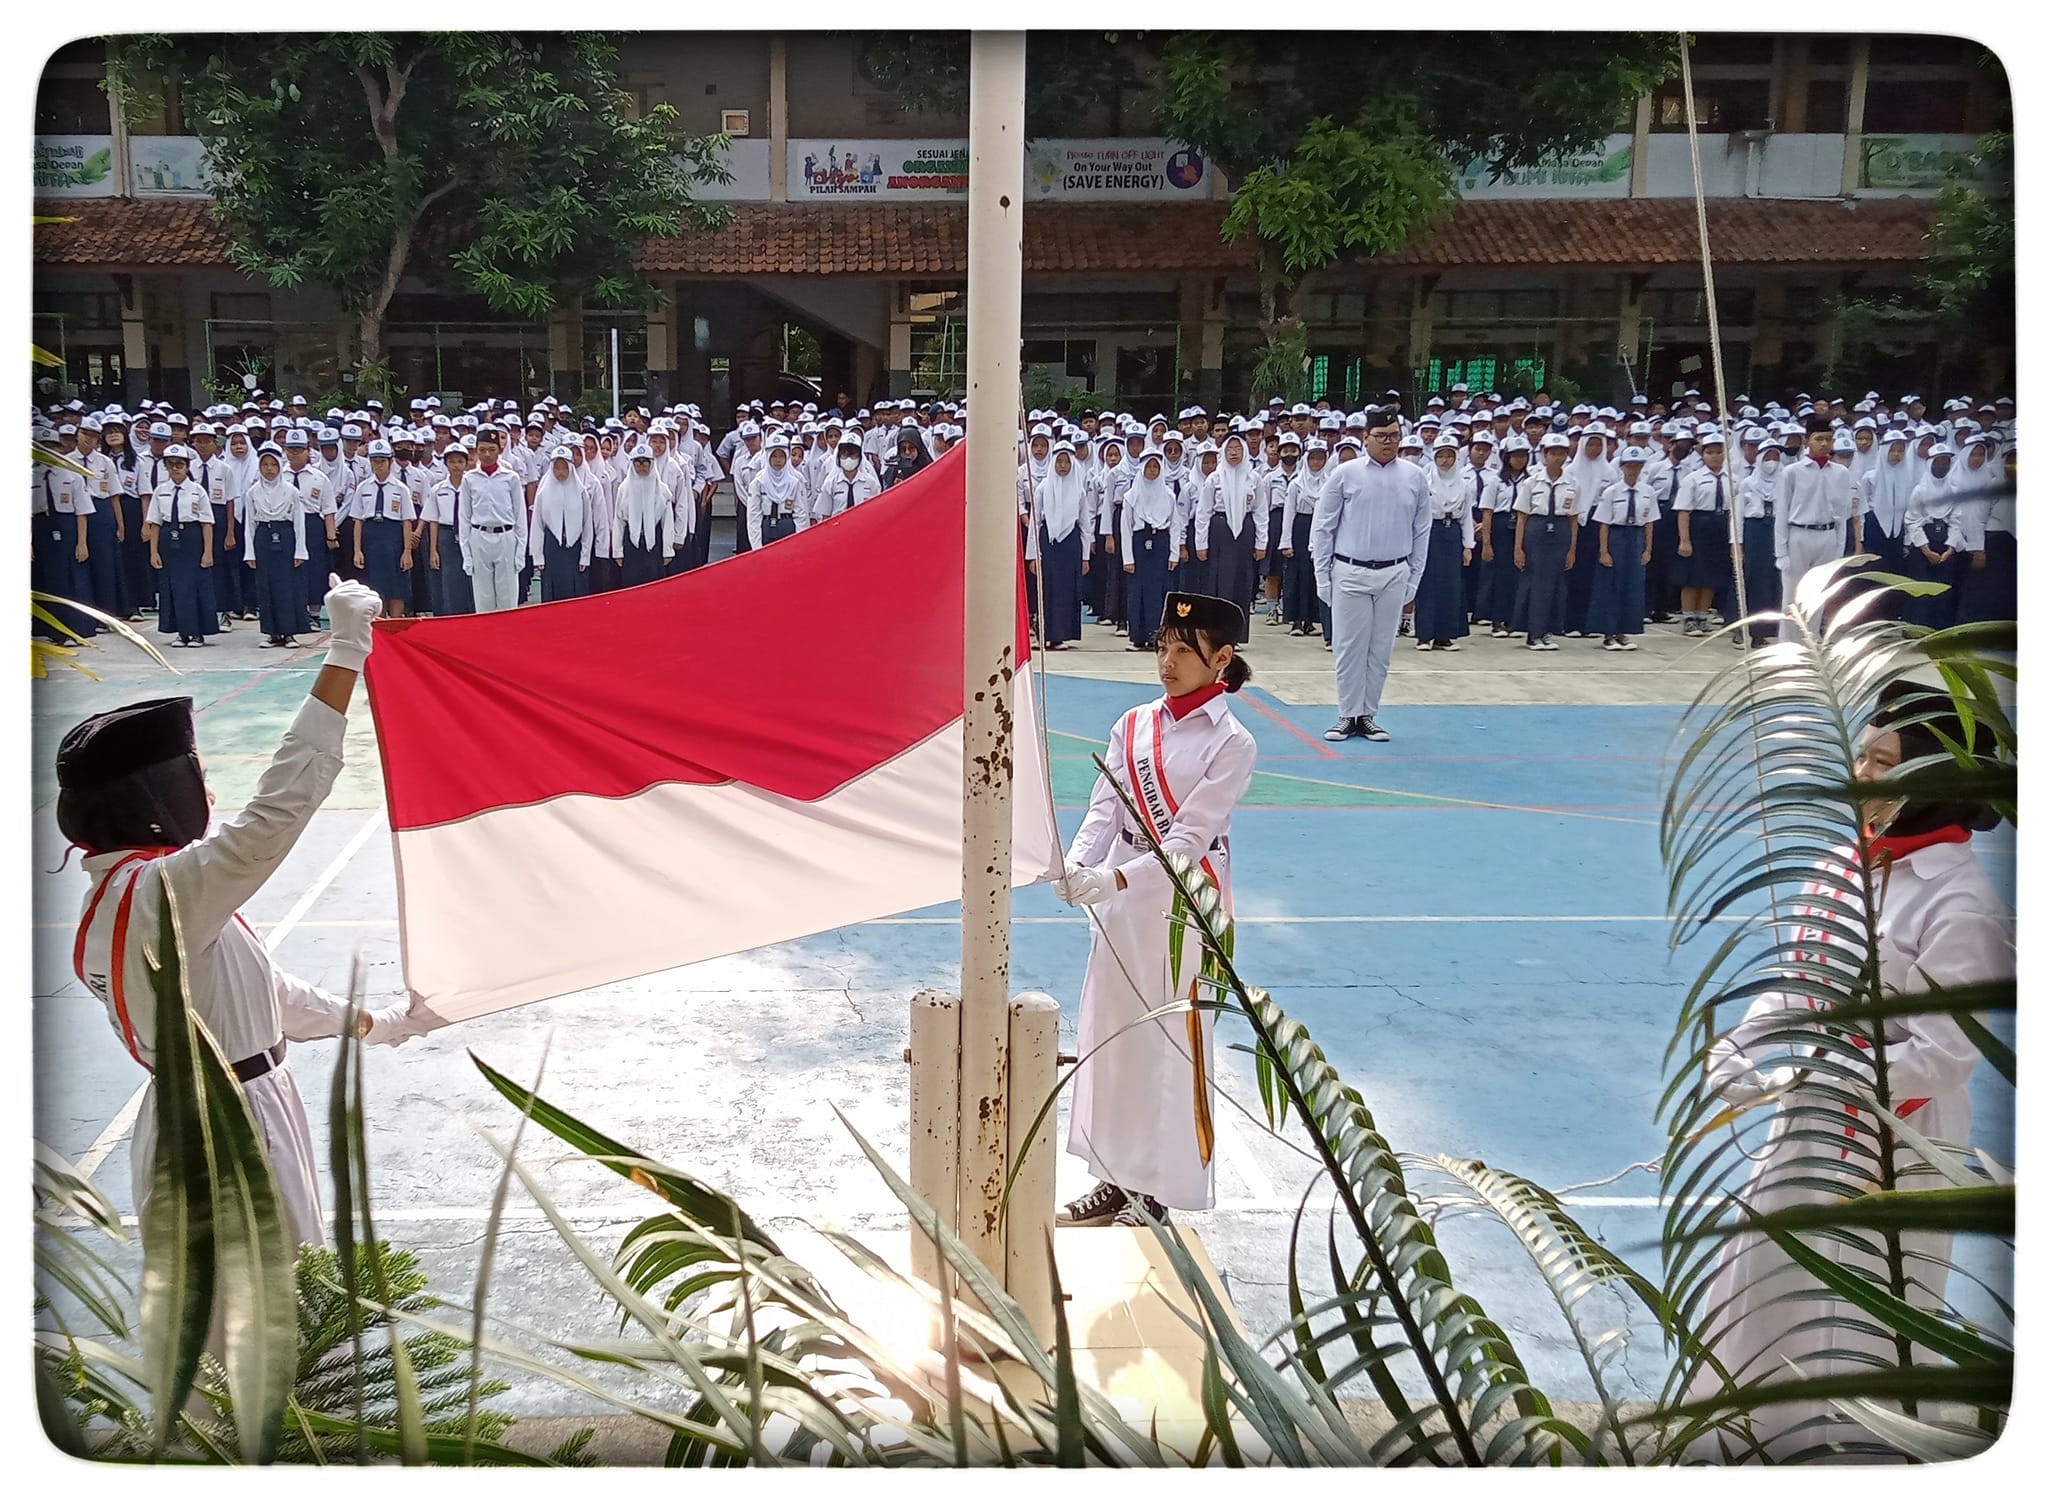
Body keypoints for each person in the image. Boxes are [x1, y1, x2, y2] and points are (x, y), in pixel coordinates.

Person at [1684, 681, 2011, 1460]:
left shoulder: (1959, 903)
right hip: (1813, 1122)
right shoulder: (1843, 863)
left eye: (1881, 761)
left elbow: (1942, 1055)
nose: (1859, 771)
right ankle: (1751, 1442)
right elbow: (1798, 984)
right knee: (1769, 1285)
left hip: (1900, 1142)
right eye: (1861, 752)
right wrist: (1745, 1046)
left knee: (1866, 1307)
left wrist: (1823, 1079)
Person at [61, 579, 424, 1248]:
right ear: (158, 796)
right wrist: (345, 651)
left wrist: (381, 1024)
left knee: (228, 1328)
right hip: (234, 1125)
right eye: (194, 778)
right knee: (279, 1323)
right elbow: (276, 812)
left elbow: (263, 994)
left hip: (203, 1112)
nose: (207, 790)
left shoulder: (116, 897)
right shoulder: (166, 893)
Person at [1055, 591, 1258, 1227]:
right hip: (1121, 902)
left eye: (1182, 649)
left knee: (1171, 1046)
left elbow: (1188, 839)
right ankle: (1113, 1177)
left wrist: (1111, 879)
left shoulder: (1233, 743)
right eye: (1163, 646)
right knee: (1111, 1038)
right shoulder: (1134, 723)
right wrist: (1076, 864)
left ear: (1221, 658)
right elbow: (1104, 806)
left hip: (1181, 909)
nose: (1166, 661)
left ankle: (1157, 1192)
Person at [1312, 406, 1430, 742]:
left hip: (1394, 571)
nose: (1388, 442)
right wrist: (1323, 576)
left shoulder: (1414, 476)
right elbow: (1323, 528)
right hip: (1350, 570)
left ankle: (1368, 715)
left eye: (1394, 436)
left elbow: (1422, 531)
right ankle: (1347, 714)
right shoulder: (1345, 474)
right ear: (1366, 438)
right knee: (1349, 647)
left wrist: (1414, 577)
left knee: (1381, 649)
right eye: (1381, 436)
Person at [1585, 445, 1657, 651]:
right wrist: (1604, 551)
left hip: (1636, 537)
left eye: (1637, 465)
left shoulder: (1647, 491)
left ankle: (1624, 631)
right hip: (1617, 536)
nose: (1633, 469)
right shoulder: (1612, 492)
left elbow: (1649, 522)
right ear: (1622, 466)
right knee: (1612, 585)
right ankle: (1608, 632)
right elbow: (1604, 523)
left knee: (1632, 586)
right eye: (1629, 465)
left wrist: (1648, 549)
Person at [145, 444, 218, 648]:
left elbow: (207, 523)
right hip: (169, 540)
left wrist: (208, 551)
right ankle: (181, 632)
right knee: (173, 588)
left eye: (179, 465)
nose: (175, 469)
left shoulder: (197, 491)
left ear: (187, 466)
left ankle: (196, 633)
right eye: (171, 465)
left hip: (192, 538)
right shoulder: (161, 491)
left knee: (194, 587)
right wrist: (154, 552)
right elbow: (155, 523)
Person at [1513, 433, 1578, 652]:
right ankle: (1533, 632)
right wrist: (1518, 548)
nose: (1557, 458)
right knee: (1536, 583)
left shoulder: (1572, 484)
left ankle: (1549, 631)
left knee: (1556, 583)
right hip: (1536, 530)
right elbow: (1522, 515)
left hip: (1560, 531)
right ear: (1544, 455)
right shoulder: (1532, 482)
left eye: (1562, 454)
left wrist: (1572, 549)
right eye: (1553, 453)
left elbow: (1573, 519)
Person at [239, 443, 308, 648]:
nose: (269, 469)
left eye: (273, 465)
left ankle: (289, 633)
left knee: (286, 587)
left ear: (279, 466)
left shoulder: (291, 491)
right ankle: (272, 633)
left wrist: (300, 550)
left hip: (285, 536)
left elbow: (299, 522)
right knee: (266, 586)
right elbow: (250, 524)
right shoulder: (252, 492)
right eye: (265, 465)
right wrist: (249, 552)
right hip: (263, 537)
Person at [1194, 435, 1261, 645]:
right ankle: (1217, 633)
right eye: (1230, 448)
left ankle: (1236, 635)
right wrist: (1201, 543)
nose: (1233, 452)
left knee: (1241, 581)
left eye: (1237, 448)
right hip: (1220, 529)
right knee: (1218, 582)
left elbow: (1261, 513)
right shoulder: (1214, 478)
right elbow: (1203, 512)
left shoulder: (1254, 478)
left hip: (1244, 530)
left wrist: (1262, 542)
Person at [1413, 434, 1475, 651]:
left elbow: (1467, 516)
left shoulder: (1464, 484)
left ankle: (1445, 636)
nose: (1445, 460)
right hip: (1431, 531)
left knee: (1451, 585)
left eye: (1450, 456)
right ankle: (1424, 634)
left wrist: (1468, 545)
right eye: (1441, 455)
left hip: (1453, 533)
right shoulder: (1424, 480)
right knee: (1428, 583)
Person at [1028, 440, 1090, 649]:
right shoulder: (1043, 488)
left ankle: (1060, 635)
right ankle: (1042, 635)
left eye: (1066, 462)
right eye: (1059, 461)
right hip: (1049, 542)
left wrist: (1086, 556)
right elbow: (1035, 523)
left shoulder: (1079, 491)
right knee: (1047, 589)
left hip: (1070, 543)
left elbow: (1085, 524)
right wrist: (1033, 555)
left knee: (1066, 589)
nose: (1063, 466)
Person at [1674, 430, 1736, 638]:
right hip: (1699, 526)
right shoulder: (1693, 479)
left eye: (1719, 452)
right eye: (1710, 452)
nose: (1715, 456)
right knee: (1693, 576)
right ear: (1702, 454)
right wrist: (1685, 540)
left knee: (1712, 576)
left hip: (1721, 525)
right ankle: (1689, 617)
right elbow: (1684, 510)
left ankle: (1702, 615)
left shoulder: (1732, 478)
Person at [1120, 449, 1182, 652]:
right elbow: (1126, 529)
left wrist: (1174, 553)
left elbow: (1175, 526)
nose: (1153, 471)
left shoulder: (1169, 496)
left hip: (1161, 545)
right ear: (1142, 469)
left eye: (1156, 467)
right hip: (1139, 546)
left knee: (1159, 592)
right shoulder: (1131, 496)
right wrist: (1127, 558)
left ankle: (1156, 636)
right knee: (1138, 592)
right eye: (1149, 467)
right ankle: (1137, 637)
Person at [460, 430, 527, 613]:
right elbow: (464, 518)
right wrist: (466, 555)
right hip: (479, 536)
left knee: (507, 598)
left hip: (505, 537)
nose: (487, 454)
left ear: (500, 449)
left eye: (491, 449)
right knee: (483, 598)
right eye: (482, 450)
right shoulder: (469, 479)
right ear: (476, 451)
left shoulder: (511, 478)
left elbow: (520, 517)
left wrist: (520, 552)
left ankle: (506, 638)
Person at [347, 439, 416, 618]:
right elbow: (358, 521)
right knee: (376, 588)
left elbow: (407, 521)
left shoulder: (401, 489)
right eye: (375, 461)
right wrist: (357, 550)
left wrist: (407, 551)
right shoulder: (363, 488)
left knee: (397, 588)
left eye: (382, 461)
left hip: (393, 536)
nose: (378, 465)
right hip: (372, 538)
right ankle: (380, 625)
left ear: (390, 461)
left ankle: (394, 625)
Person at [1737, 438, 1785, 647]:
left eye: (1776, 456)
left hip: (1777, 528)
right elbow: (1738, 515)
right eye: (1768, 456)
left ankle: (1768, 629)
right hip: (1755, 530)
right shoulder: (1748, 483)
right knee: (1754, 580)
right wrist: (1737, 542)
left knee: (1774, 582)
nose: (1772, 461)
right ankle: (1746, 628)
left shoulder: (1786, 481)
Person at [530, 447, 593, 602]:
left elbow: (587, 525)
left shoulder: (580, 492)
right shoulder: (543, 492)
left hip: (574, 549)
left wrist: (585, 556)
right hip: (552, 548)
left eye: (564, 467)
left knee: (575, 592)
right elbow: (537, 525)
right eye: (557, 467)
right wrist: (538, 557)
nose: (561, 472)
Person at [612, 449, 675, 586]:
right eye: (638, 462)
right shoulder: (624, 489)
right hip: (631, 544)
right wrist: (617, 550)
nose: (641, 466)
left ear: (651, 464)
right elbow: (618, 521)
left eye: (645, 462)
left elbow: (667, 522)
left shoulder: (662, 490)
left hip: (654, 544)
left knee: (654, 586)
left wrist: (668, 549)